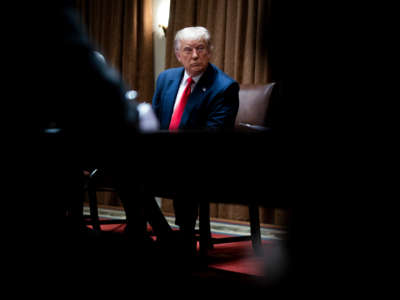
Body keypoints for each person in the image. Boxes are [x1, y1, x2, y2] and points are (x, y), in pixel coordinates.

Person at [152, 26, 240, 255]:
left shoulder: (224, 87)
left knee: (187, 166)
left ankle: (186, 236)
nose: (194, 55)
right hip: (163, 156)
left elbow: (213, 137)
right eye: (188, 50)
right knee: (124, 167)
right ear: (178, 54)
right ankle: (159, 232)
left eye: (200, 49)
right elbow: (153, 120)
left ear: (209, 51)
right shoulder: (165, 79)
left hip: (203, 159)